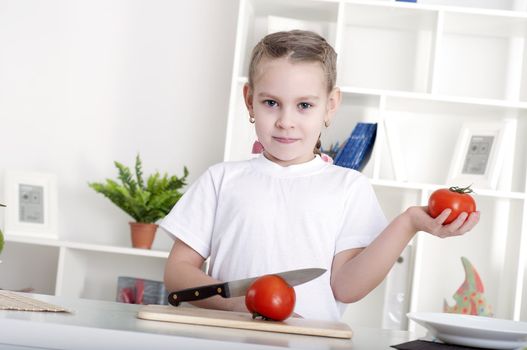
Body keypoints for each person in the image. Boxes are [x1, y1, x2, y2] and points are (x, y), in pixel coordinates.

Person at [161, 30, 480, 321]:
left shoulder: (348, 187)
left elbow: (346, 288)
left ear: (330, 105)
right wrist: (240, 304)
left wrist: (408, 222)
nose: (286, 121)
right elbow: (178, 273)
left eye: (304, 105)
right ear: (249, 101)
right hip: (223, 339)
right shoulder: (220, 180)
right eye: (271, 102)